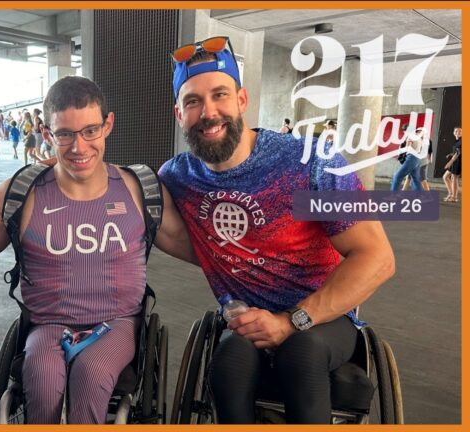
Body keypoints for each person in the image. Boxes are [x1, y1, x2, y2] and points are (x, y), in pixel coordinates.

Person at [0, 75, 196, 424]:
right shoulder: (21, 194)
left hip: (117, 322)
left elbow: (199, 251)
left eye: (90, 131)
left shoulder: (140, 191)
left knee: (91, 372)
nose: (79, 147)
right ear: (47, 133)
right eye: (65, 134)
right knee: (42, 380)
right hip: (47, 323)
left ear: (108, 125)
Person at [158, 36, 395, 424]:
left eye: (220, 95)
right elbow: (126, 196)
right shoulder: (178, 178)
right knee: (228, 366)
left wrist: (290, 321)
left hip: (321, 319)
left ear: (242, 100)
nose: (209, 112)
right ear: (179, 114)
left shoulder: (312, 163)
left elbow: (378, 258)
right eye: (193, 101)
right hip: (247, 318)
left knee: (301, 355)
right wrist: (64, 168)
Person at [402, 127, 432, 191]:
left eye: (420, 132)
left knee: (422, 178)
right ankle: (403, 191)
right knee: (409, 176)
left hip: (422, 162)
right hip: (416, 161)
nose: (418, 133)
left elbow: (426, 152)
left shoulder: (426, 141)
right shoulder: (417, 139)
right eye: (418, 132)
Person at [442, 126, 461, 202]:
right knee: (445, 177)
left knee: (454, 178)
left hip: (458, 162)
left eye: (460, 131)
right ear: (453, 133)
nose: (458, 132)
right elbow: (457, 152)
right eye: (456, 131)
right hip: (455, 161)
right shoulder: (457, 141)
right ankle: (451, 193)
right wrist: (450, 154)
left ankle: (454, 197)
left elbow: (458, 153)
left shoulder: (461, 141)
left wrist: (449, 163)